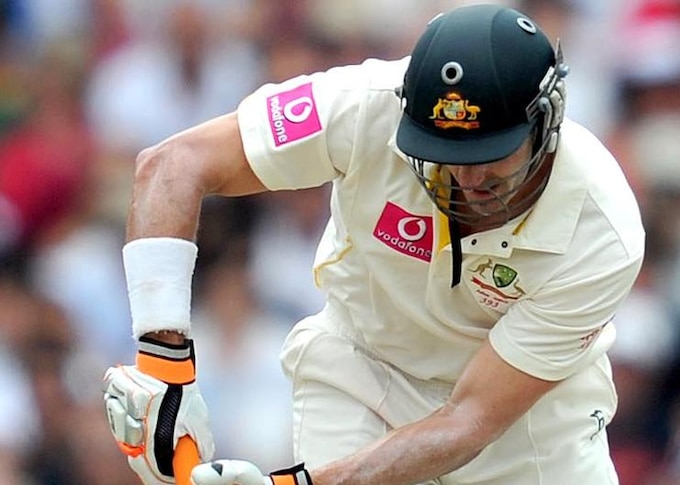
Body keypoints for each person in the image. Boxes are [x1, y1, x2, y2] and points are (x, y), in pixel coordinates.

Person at [102, 4, 645, 485]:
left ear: (544, 121)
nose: (468, 181)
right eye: (447, 154)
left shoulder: (602, 231)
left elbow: (468, 420)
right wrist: (164, 366)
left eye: (490, 154)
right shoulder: (367, 103)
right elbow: (173, 165)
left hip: (526, 426)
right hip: (361, 370)